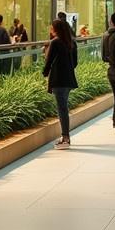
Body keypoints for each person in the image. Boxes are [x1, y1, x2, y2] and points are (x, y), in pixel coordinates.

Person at [42, 19, 79, 149]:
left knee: (62, 109)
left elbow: (49, 61)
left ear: (55, 29)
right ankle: (65, 136)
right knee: (63, 107)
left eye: (51, 27)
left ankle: (65, 137)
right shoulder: (72, 42)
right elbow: (75, 63)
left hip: (58, 79)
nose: (50, 29)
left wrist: (45, 73)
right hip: (69, 79)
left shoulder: (55, 42)